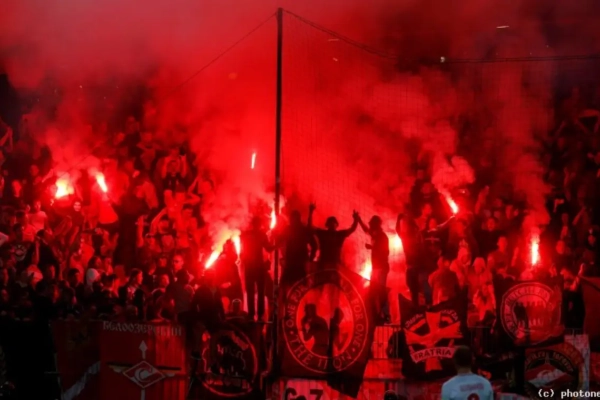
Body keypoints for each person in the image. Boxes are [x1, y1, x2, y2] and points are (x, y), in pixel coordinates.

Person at [240, 216, 273, 321]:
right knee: (261, 291)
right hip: (259, 266)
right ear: (259, 225)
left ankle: (250, 314)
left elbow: (242, 250)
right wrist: (276, 243)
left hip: (249, 266)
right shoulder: (261, 235)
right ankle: (260, 315)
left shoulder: (246, 235)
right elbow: (268, 248)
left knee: (250, 291)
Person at [307, 203, 359, 269]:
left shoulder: (339, 234)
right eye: (330, 222)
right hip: (324, 264)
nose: (332, 223)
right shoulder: (323, 233)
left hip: (332, 265)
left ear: (336, 225)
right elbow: (310, 227)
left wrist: (356, 220)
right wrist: (311, 212)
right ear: (327, 224)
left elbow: (352, 229)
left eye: (333, 222)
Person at [358, 214, 390, 322]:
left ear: (376, 225)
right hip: (376, 268)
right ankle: (378, 314)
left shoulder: (382, 237)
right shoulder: (376, 235)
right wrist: (359, 220)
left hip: (382, 268)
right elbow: (366, 230)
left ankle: (385, 314)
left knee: (380, 291)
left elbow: (386, 252)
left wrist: (372, 247)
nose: (370, 227)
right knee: (374, 291)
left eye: (372, 225)